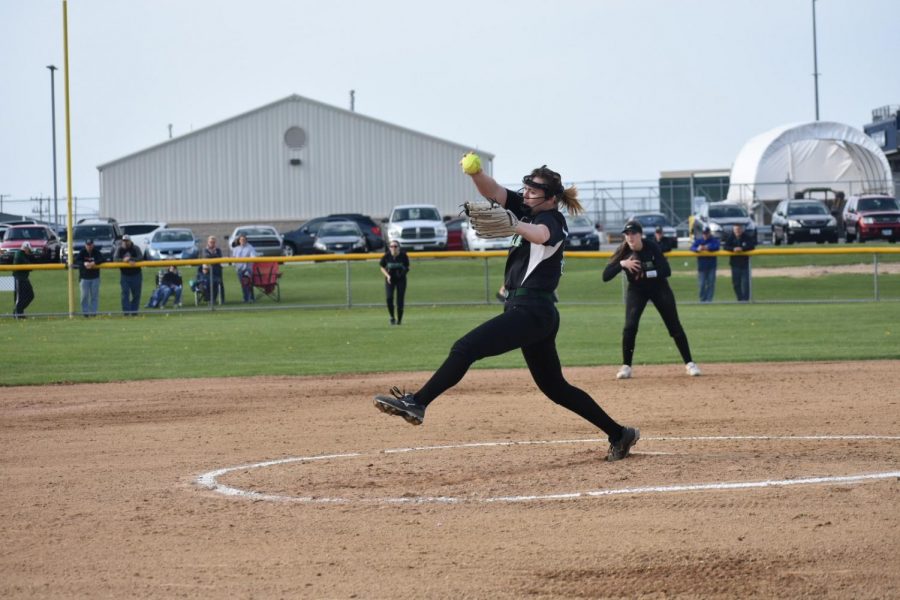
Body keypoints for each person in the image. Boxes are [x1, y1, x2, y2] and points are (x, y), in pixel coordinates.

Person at [373, 154, 640, 462]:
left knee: (465, 348)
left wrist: (515, 223)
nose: (525, 193)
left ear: (550, 198)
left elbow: (541, 235)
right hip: (528, 311)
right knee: (556, 388)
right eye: (525, 188)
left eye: (533, 190)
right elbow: (493, 191)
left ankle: (418, 402)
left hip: (533, 310)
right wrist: (476, 173)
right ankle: (620, 434)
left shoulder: (552, 220)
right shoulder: (526, 208)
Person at [603, 219, 701, 380]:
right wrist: (622, 264)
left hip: (659, 288)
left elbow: (666, 270)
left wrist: (647, 273)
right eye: (627, 234)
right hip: (637, 290)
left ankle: (690, 363)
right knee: (630, 326)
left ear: (640, 235)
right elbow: (605, 276)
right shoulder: (623, 251)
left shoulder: (651, 246)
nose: (630, 237)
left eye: (633, 233)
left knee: (674, 325)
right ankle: (626, 366)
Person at [722, 223, 756, 302]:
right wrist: (733, 249)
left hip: (745, 264)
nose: (737, 231)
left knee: (746, 283)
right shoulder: (731, 237)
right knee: (736, 283)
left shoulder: (746, 237)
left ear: (742, 230)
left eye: (739, 229)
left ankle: (746, 300)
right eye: (736, 230)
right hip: (735, 264)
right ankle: (740, 299)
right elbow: (725, 247)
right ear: (733, 230)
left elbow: (752, 246)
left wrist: (742, 249)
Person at [379, 241, 409, 325]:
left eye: (395, 246)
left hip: (401, 279)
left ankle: (399, 320)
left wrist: (403, 273)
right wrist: (387, 276)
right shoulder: (386, 256)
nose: (393, 248)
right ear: (389, 248)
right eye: (391, 246)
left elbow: (407, 267)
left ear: (398, 247)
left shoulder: (403, 256)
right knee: (389, 298)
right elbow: (382, 267)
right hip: (390, 279)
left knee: (400, 300)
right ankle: (392, 317)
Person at [689, 226, 720, 302]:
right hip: (702, 266)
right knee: (702, 284)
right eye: (704, 233)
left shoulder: (713, 240)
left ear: (709, 233)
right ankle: (702, 300)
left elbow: (717, 246)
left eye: (706, 233)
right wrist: (697, 249)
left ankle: (709, 300)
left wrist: (707, 247)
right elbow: (691, 247)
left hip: (711, 266)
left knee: (711, 284)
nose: (705, 235)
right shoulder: (699, 241)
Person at [114, 234, 143, 316]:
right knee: (125, 293)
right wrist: (124, 260)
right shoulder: (119, 249)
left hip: (136, 274)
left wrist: (131, 259)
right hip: (125, 275)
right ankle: (126, 312)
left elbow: (141, 257)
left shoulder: (135, 248)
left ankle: (134, 312)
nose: (125, 243)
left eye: (127, 241)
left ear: (130, 241)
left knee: (136, 294)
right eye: (124, 241)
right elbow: (115, 259)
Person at [75, 238, 104, 316]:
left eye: (90, 245)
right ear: (85, 245)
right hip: (84, 278)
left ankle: (93, 313)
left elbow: (102, 259)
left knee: (94, 296)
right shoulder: (82, 252)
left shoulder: (96, 252)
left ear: (93, 245)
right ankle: (85, 313)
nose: (89, 246)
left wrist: (94, 263)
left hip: (95, 277)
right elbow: (77, 260)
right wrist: (84, 263)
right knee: (84, 296)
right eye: (88, 245)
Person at [231, 233, 257, 303]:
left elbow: (253, 257)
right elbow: (233, 259)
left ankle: (247, 299)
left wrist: (246, 259)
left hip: (247, 269)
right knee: (244, 284)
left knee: (246, 282)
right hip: (239, 269)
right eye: (241, 239)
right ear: (239, 240)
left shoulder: (250, 247)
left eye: (244, 239)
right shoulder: (236, 249)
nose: (243, 241)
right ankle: (249, 298)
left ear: (246, 240)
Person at [13, 242, 35, 318]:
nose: (29, 252)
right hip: (18, 278)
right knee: (19, 297)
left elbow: (30, 267)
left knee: (30, 295)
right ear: (25, 248)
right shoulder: (19, 254)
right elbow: (29, 266)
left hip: (25, 278)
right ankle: (18, 313)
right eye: (28, 250)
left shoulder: (24, 255)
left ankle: (19, 311)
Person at [200, 235, 225, 304]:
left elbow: (219, 258)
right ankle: (209, 299)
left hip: (217, 271)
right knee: (208, 283)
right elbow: (206, 256)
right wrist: (214, 257)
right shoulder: (204, 250)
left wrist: (212, 257)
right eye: (211, 242)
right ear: (208, 242)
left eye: (213, 242)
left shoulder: (218, 250)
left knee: (219, 283)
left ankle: (221, 300)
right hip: (207, 272)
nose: (212, 243)